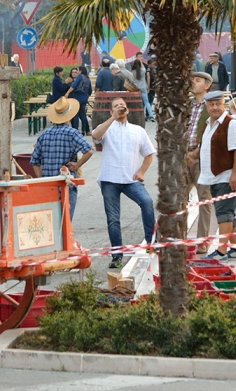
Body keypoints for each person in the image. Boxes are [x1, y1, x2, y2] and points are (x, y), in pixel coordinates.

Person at [92, 97, 156, 269]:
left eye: (122, 106)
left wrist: (141, 171)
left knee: (147, 202)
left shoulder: (138, 130)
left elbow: (149, 154)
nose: (120, 107)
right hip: (109, 179)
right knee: (113, 219)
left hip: (130, 179)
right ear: (110, 111)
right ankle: (117, 255)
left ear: (127, 110)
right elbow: (95, 136)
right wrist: (113, 117)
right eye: (116, 106)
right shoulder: (106, 128)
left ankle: (151, 242)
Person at [188, 90, 236, 260]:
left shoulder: (231, 124)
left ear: (224, 104)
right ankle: (235, 250)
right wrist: (193, 155)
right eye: (211, 105)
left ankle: (222, 252)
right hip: (213, 177)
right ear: (207, 106)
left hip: (226, 177)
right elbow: (206, 146)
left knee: (224, 214)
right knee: (229, 214)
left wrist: (235, 174)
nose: (214, 108)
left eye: (217, 104)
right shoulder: (208, 123)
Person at [30, 97, 94, 219]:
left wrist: (42, 179)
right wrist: (77, 164)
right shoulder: (72, 133)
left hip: (48, 187)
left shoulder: (44, 134)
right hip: (66, 185)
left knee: (51, 223)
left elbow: (34, 161)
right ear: (69, 117)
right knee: (65, 223)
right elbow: (89, 151)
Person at [185, 72, 214, 254]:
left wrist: (196, 152)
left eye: (198, 80)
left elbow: (212, 133)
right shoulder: (188, 105)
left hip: (202, 157)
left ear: (207, 85)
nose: (193, 83)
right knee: (179, 198)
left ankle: (203, 241)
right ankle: (177, 237)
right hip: (184, 155)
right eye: (193, 80)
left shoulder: (211, 106)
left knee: (205, 199)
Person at [65, 65, 92, 135]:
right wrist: (86, 97)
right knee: (83, 115)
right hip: (84, 98)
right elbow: (90, 91)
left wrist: (67, 93)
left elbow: (74, 85)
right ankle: (83, 131)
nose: (77, 72)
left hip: (77, 98)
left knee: (75, 115)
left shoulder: (80, 76)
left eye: (78, 70)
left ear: (80, 71)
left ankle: (75, 131)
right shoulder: (87, 78)